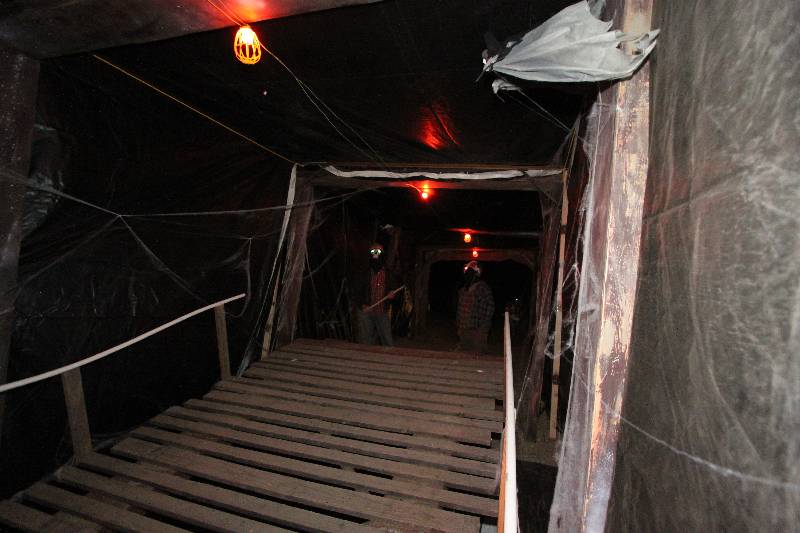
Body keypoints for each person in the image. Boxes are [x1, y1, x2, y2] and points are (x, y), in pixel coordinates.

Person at [356, 243, 394, 346]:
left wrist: (392, 294)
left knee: (387, 341)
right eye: (373, 251)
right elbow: (356, 291)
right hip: (366, 312)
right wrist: (362, 304)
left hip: (382, 311)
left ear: (383, 254)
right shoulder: (363, 272)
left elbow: (395, 290)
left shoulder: (389, 273)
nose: (376, 253)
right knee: (365, 341)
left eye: (378, 251)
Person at [457, 261, 494, 353]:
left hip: (477, 329)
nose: (467, 275)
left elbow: (490, 308)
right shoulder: (463, 290)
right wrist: (459, 324)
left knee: (477, 353)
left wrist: (483, 325)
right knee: (464, 352)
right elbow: (459, 309)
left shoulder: (482, 288)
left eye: (470, 272)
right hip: (464, 327)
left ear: (476, 274)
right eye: (466, 272)